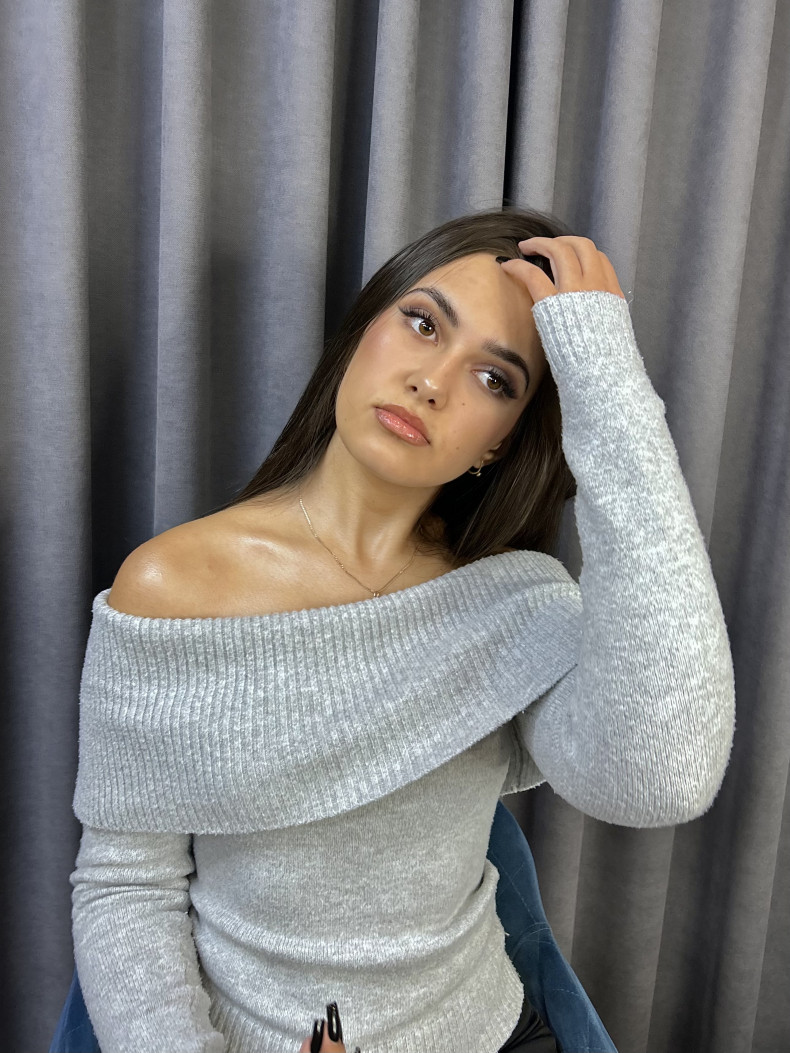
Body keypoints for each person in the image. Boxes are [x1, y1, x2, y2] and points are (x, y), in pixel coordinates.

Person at [68, 207, 735, 1053]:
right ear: (362, 332)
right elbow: (127, 882)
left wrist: (606, 380)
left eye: (494, 378)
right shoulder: (172, 585)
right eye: (422, 323)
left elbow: (662, 778)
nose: (433, 381)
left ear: (500, 444)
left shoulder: (517, 605)